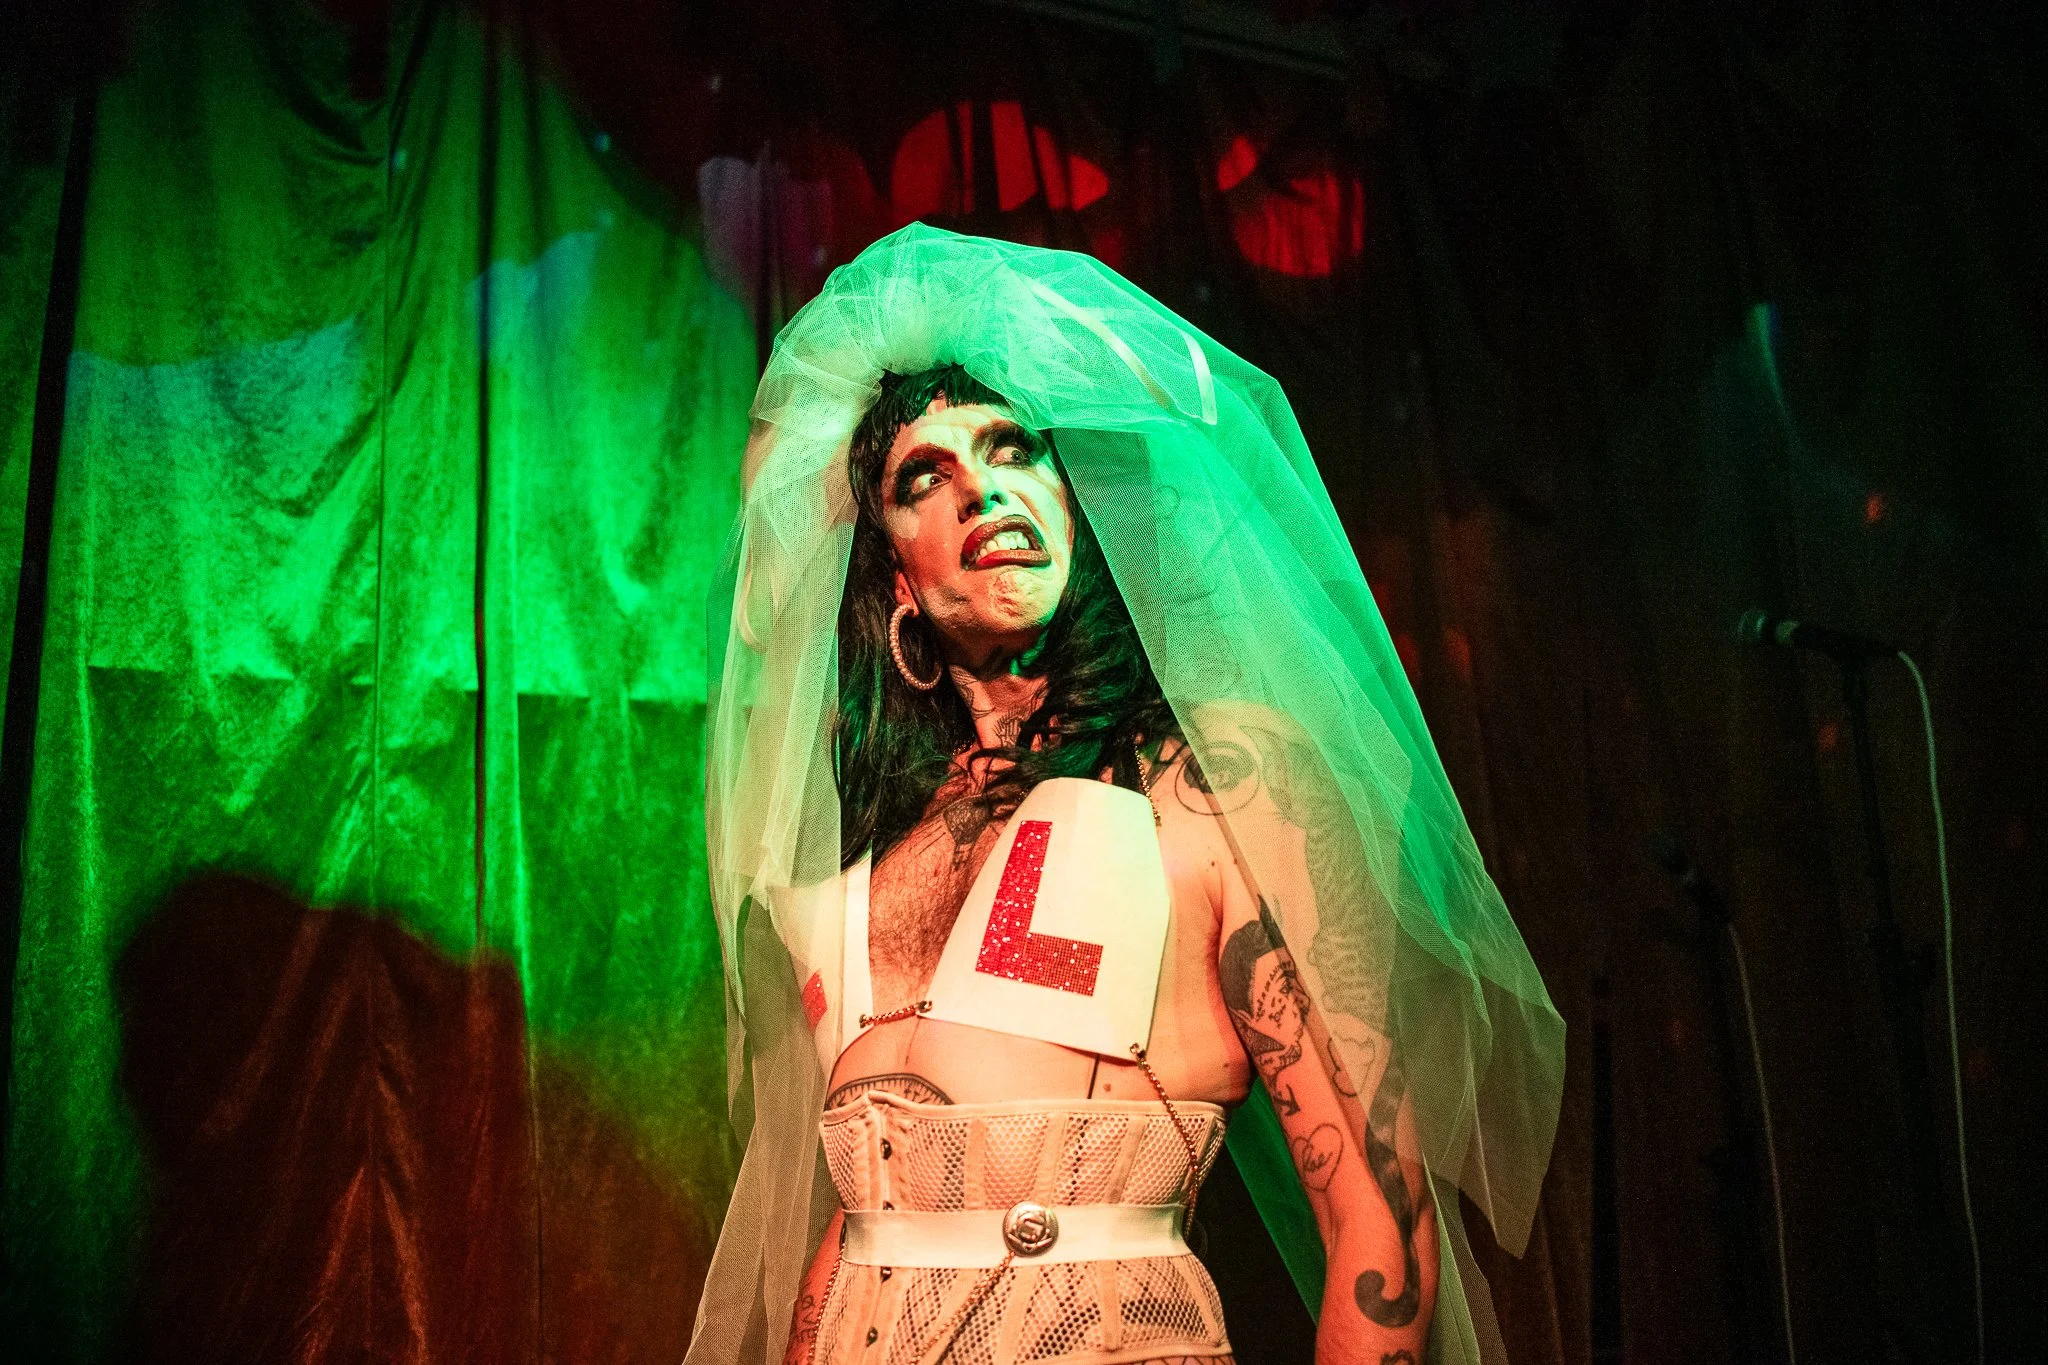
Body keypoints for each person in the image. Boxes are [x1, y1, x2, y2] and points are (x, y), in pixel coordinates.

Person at [691, 226, 1563, 1365]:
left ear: (1076, 503)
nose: (984, 492)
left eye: (1013, 450)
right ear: (895, 578)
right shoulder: (870, 872)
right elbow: (867, 1224)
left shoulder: (1204, 789)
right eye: (926, 476)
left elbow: (1377, 1222)